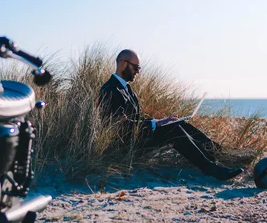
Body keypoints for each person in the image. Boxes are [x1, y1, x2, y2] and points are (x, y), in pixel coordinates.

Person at [98, 49, 243, 181]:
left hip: (137, 137)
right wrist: (156, 124)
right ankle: (211, 169)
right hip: (126, 145)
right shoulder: (110, 90)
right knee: (171, 130)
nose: (138, 72)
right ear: (123, 64)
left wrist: (160, 121)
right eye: (136, 67)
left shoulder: (127, 89)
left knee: (175, 124)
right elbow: (119, 126)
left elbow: (137, 119)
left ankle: (217, 153)